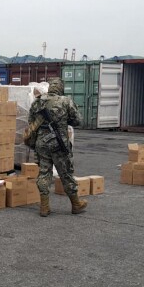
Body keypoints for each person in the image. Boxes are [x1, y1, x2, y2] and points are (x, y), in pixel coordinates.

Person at [27, 78, 85, 216]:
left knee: (44, 173)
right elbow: (78, 121)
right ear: (60, 88)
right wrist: (64, 120)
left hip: (41, 143)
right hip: (59, 143)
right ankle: (76, 204)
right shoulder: (65, 101)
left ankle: (44, 207)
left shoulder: (37, 102)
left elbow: (31, 123)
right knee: (65, 173)